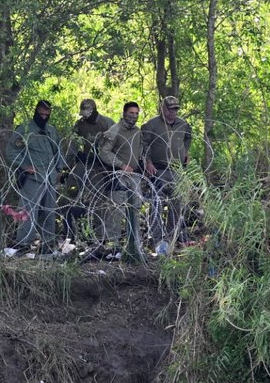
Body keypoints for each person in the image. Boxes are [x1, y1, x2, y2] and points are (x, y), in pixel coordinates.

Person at [7, 99, 64, 251]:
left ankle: (48, 246)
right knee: (27, 213)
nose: (44, 117)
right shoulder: (25, 129)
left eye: (47, 115)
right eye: (41, 114)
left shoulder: (51, 130)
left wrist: (59, 170)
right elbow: (11, 151)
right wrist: (25, 166)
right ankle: (24, 244)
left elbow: (58, 151)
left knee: (49, 214)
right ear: (36, 112)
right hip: (33, 179)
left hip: (50, 178)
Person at [141, 95, 193, 248]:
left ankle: (173, 235)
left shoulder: (183, 125)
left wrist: (185, 153)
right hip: (158, 169)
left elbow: (187, 139)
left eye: (175, 109)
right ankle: (156, 238)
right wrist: (148, 162)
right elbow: (144, 145)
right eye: (170, 109)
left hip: (176, 170)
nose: (173, 113)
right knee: (156, 203)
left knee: (177, 203)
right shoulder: (152, 125)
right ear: (163, 109)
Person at [98, 101, 145, 261]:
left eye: (136, 113)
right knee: (116, 211)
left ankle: (135, 245)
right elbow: (104, 153)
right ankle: (114, 247)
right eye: (131, 113)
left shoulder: (138, 132)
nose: (134, 116)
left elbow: (141, 152)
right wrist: (121, 165)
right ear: (124, 113)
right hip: (118, 176)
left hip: (135, 176)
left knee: (135, 209)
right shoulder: (114, 131)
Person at [64, 98, 115, 239]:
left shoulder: (107, 123)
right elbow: (73, 146)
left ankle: (100, 235)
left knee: (99, 199)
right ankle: (72, 231)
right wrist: (65, 166)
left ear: (93, 111)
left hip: (101, 165)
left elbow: (116, 144)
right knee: (71, 187)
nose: (84, 116)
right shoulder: (79, 124)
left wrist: (112, 166)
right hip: (85, 161)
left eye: (86, 113)